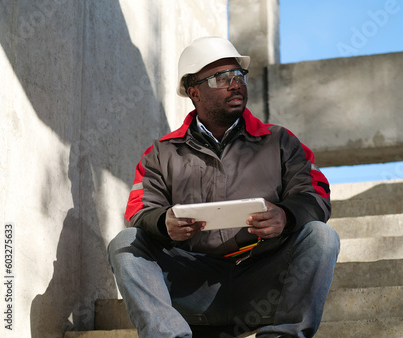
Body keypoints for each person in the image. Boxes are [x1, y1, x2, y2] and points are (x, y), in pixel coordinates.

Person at [108, 36, 340, 338]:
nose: (236, 84)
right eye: (222, 78)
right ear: (195, 92)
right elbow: (139, 211)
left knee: (321, 236)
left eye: (239, 75)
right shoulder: (161, 154)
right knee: (124, 243)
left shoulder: (281, 142)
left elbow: (317, 194)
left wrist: (286, 215)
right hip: (193, 289)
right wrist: (164, 223)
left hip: (262, 283)